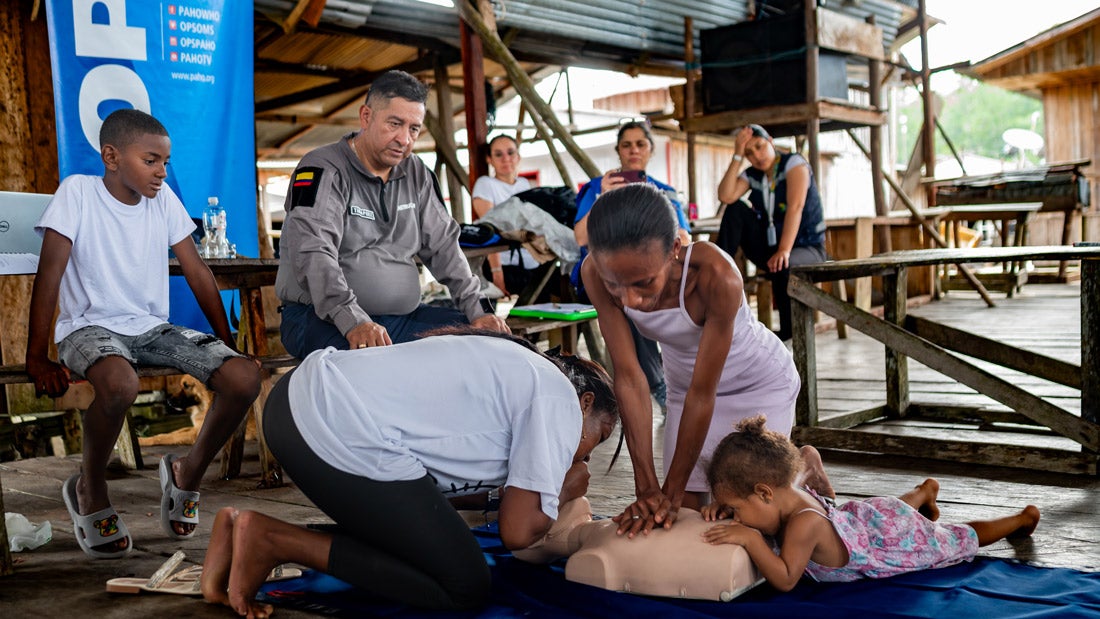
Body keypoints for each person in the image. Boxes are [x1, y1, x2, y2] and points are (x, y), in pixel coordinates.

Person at [199, 328, 619, 616]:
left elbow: (433, 502)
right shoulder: (557, 397)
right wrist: (563, 489)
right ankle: (275, 539)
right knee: (465, 583)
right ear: (583, 403)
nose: (583, 457)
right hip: (332, 423)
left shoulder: (521, 374)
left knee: (431, 544)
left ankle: (241, 532)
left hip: (297, 405)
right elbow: (518, 532)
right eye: (595, 440)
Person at [25, 108, 262, 559]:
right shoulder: (78, 193)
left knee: (243, 378)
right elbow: (49, 273)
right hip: (88, 328)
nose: (161, 172)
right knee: (120, 384)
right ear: (111, 156)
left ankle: (187, 473)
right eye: (151, 160)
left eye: (165, 162)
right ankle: (90, 488)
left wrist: (229, 344)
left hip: (151, 328)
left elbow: (197, 272)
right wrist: (37, 355)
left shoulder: (163, 199)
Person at [580, 183, 799, 538]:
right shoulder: (595, 273)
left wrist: (671, 490)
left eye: (643, 283)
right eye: (615, 285)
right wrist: (648, 488)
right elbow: (630, 377)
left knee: (758, 516)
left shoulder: (717, 276)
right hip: (684, 389)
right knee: (685, 517)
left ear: (674, 251)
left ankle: (808, 472)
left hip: (758, 383)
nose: (630, 299)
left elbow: (705, 393)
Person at [276, 69, 509, 357]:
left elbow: (445, 248)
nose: (404, 139)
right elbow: (313, 253)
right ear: (366, 117)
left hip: (401, 320)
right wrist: (354, 321)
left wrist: (479, 311)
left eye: (413, 128)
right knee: (376, 364)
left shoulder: (417, 174)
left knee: (487, 343)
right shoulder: (324, 169)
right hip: (320, 318)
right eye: (395, 123)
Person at [702, 416, 1041, 590]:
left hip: (886, 543)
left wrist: (748, 538)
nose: (738, 518)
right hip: (863, 519)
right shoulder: (785, 489)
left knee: (954, 538)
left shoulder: (803, 524)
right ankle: (924, 491)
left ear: (764, 493)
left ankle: (1020, 518)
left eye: (738, 509)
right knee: (897, 510)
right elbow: (766, 503)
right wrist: (731, 508)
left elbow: (787, 578)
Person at [573, 120, 692, 414]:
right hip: (605, 276)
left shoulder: (664, 191)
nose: (634, 150)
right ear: (618, 151)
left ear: (650, 150)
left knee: (649, 293)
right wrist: (603, 196)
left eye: (640, 144)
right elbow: (580, 236)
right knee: (630, 300)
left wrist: (654, 206)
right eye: (627, 145)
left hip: (651, 274)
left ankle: (679, 382)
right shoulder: (596, 187)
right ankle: (662, 387)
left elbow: (685, 238)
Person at [716, 124, 827, 341]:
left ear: (771, 142)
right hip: (771, 247)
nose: (756, 156)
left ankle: (789, 332)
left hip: (806, 247)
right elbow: (726, 196)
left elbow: (796, 207)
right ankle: (718, 268)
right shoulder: (753, 175)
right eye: (749, 152)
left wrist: (784, 250)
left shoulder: (793, 164)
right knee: (735, 209)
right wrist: (737, 154)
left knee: (782, 265)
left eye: (759, 146)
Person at [471, 134, 534, 297]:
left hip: (530, 261)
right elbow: (490, 230)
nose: (506, 158)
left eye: (510, 152)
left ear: (518, 156)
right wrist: (497, 272)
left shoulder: (524, 184)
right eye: (498, 154)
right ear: (489, 159)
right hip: (503, 264)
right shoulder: (485, 184)